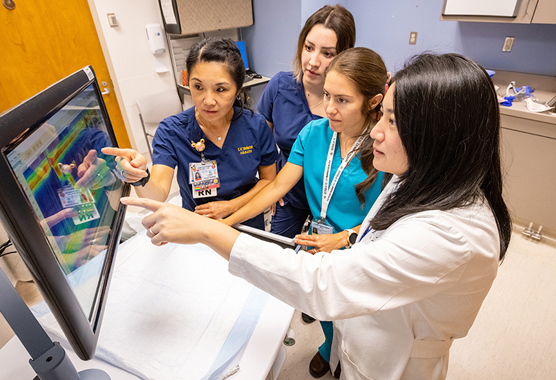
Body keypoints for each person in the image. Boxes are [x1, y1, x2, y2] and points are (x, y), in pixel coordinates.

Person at [122, 53, 513, 380]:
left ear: (436, 136)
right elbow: (290, 196)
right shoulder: (411, 177)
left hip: (394, 360)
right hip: (359, 324)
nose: (377, 132)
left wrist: (209, 230)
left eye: (391, 120)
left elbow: (324, 287)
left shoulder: (450, 233)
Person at [224, 46, 388, 378]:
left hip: (364, 246)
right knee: (321, 307)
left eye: (343, 100)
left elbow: (390, 220)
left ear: (373, 101)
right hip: (319, 240)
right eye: (327, 95)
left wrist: (344, 238)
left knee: (358, 322)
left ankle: (348, 357)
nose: (329, 108)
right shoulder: (314, 134)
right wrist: (226, 223)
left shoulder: (385, 148)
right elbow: (275, 187)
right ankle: (328, 347)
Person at [103, 37, 278, 230]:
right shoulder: (172, 131)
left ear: (238, 89)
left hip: (247, 223)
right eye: (198, 87)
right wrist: (140, 176)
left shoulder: (255, 126)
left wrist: (230, 207)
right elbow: (158, 194)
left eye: (220, 89)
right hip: (196, 228)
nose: (208, 100)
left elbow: (268, 180)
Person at [258, 4, 356, 238]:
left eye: (327, 53)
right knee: (277, 249)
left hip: (335, 200)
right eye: (309, 48)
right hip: (289, 192)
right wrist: (271, 183)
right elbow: (260, 139)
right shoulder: (280, 86)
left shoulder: (352, 99)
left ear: (344, 55)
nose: (313, 61)